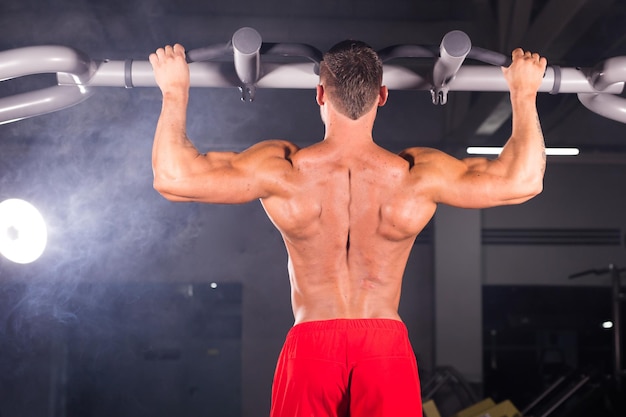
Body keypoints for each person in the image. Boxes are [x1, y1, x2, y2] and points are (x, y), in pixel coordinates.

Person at [149, 40, 547, 417]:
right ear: (383, 95)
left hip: (311, 342)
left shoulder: (282, 170)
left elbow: (173, 178)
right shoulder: (417, 175)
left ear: (320, 94)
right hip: (384, 345)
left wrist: (174, 91)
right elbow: (522, 181)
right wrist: (524, 94)